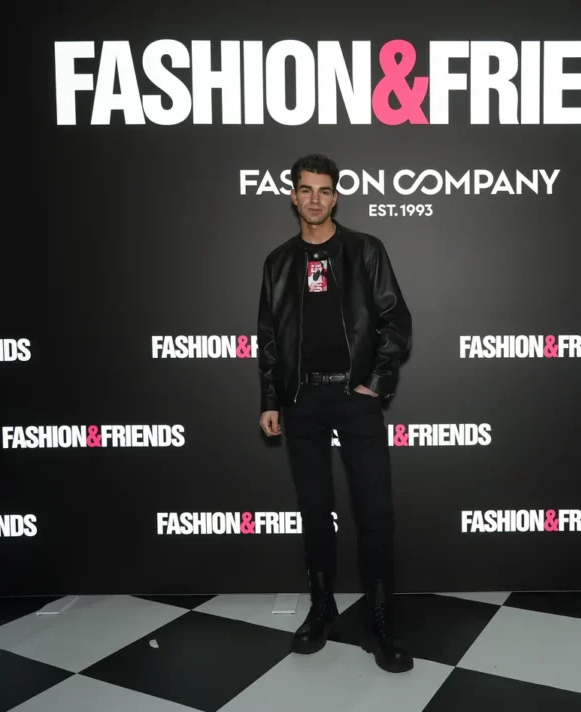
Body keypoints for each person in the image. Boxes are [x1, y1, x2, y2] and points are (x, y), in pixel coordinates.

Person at [256, 153, 414, 673]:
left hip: (355, 399)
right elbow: (269, 338)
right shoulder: (278, 262)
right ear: (293, 196)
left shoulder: (365, 250)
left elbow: (395, 320)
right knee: (314, 509)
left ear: (336, 197)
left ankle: (380, 621)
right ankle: (322, 609)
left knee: (375, 512)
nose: (315, 199)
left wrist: (378, 382)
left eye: (324, 190)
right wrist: (270, 399)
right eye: (306, 189)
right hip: (301, 402)